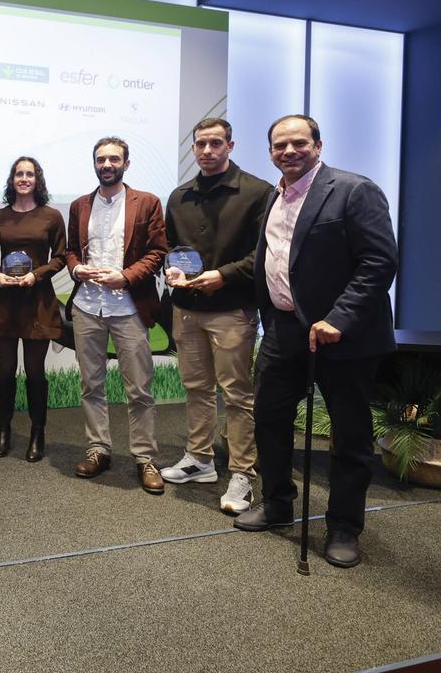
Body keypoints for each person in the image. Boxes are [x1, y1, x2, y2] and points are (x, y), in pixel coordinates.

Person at [234, 115, 397, 569]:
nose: (288, 151)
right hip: (284, 330)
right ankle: (278, 503)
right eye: (279, 145)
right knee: (268, 418)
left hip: (341, 336)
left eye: (298, 143)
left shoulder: (353, 190)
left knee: (349, 435)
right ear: (269, 151)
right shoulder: (274, 196)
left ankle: (344, 525)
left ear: (318, 144)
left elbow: (378, 264)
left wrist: (338, 319)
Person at [159, 117, 273, 514]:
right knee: (197, 389)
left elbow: (264, 255)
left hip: (232, 310)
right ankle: (200, 460)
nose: (207, 151)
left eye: (215, 143)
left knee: (237, 395)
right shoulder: (179, 197)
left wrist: (221, 276)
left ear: (230, 145)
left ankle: (242, 472)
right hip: (187, 310)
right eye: (200, 144)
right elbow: (171, 249)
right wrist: (171, 270)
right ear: (193, 148)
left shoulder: (258, 192)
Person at [66, 137, 168, 494]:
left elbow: (157, 251)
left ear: (126, 163)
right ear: (94, 163)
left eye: (113, 159)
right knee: (90, 384)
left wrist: (125, 277)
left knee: (139, 388)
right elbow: (70, 251)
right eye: (100, 159)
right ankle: (98, 449)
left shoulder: (148, 203)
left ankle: (145, 458)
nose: (106, 164)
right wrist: (76, 269)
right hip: (87, 308)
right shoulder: (80, 205)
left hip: (128, 308)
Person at [0, 156, 67, 461]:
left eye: (29, 174)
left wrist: (36, 275)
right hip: (4, 301)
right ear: (12, 179)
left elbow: (60, 257)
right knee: (5, 371)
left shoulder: (52, 216)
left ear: (37, 179)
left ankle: (37, 433)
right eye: (19, 173)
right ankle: (3, 431)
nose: (24, 178)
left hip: (37, 301)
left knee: (35, 372)